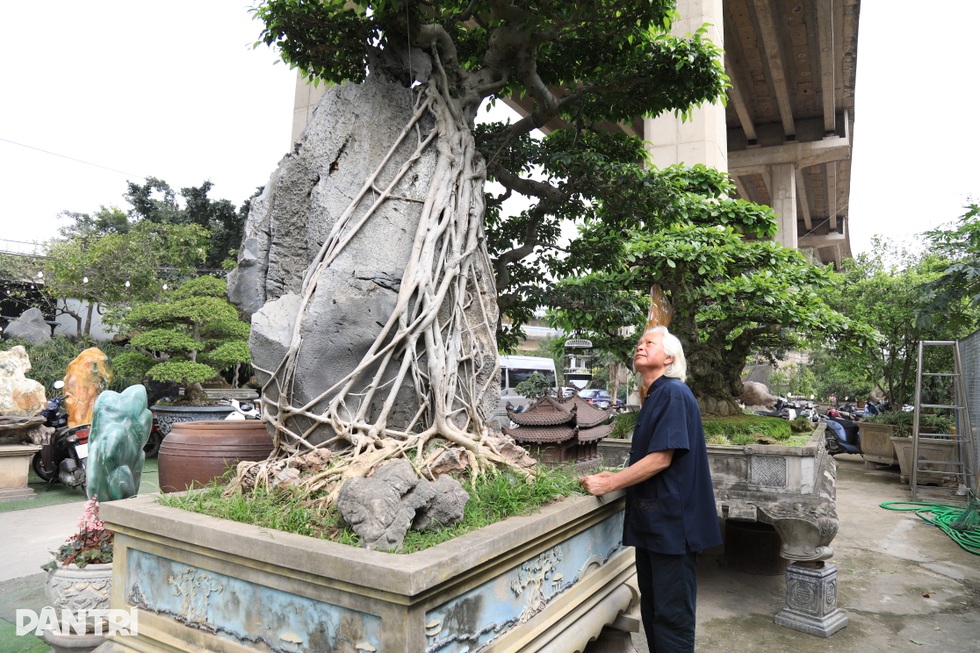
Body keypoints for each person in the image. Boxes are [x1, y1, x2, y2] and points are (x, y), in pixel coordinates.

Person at [580, 326, 721, 652]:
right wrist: (616, 474)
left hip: (673, 528)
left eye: (649, 343)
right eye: (639, 343)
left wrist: (611, 482)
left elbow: (660, 459)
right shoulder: (657, 394)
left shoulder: (672, 393)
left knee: (671, 619)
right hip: (657, 526)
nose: (640, 347)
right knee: (655, 612)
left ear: (669, 357)